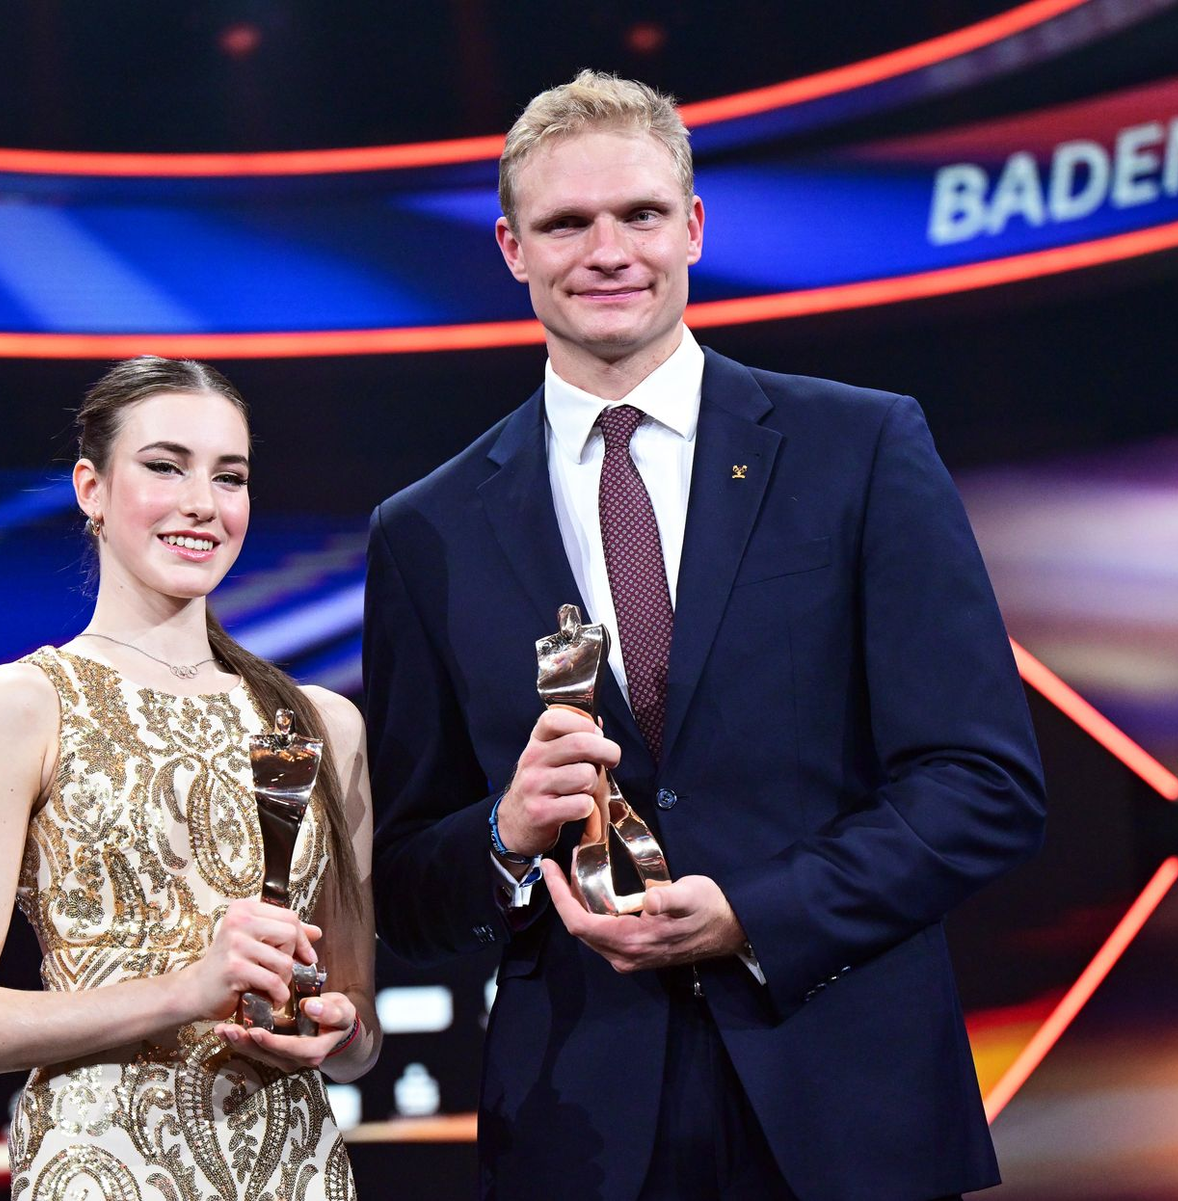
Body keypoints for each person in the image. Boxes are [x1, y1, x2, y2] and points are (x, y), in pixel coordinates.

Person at [364, 70, 1045, 1201]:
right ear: (510, 248)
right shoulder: (425, 529)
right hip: (581, 1129)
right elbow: (404, 886)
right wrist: (501, 833)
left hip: (847, 1100)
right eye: (565, 223)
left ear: (692, 225)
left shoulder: (860, 448)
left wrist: (755, 910)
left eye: (637, 213)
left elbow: (983, 782)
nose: (607, 249)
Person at [0, 357, 379, 1200]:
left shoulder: (321, 724)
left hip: (295, 1168)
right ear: (90, 487)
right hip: (102, 1170)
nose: (203, 501)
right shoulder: (21, 706)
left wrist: (336, 1030)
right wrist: (187, 990)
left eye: (228, 476)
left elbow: (358, 1027)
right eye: (165, 466)